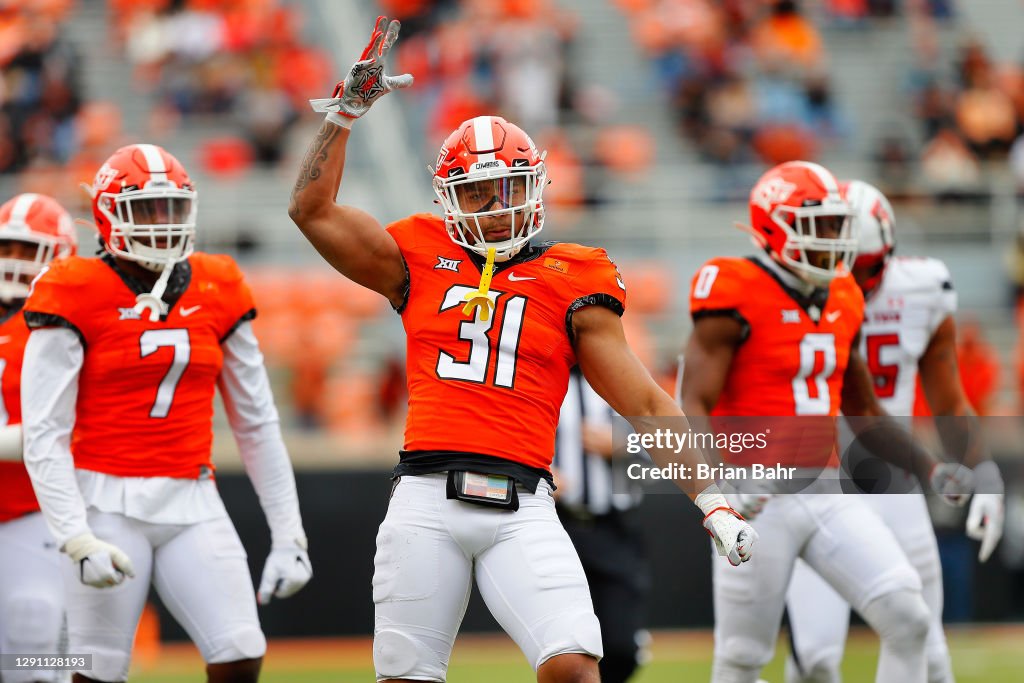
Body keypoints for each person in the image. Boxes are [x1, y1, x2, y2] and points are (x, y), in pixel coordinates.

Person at [289, 15, 755, 683]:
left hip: (525, 500)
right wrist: (344, 113)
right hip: (424, 497)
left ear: (534, 189)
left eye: (505, 189)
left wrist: (713, 499)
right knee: (406, 676)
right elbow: (311, 211)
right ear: (448, 197)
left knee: (573, 665)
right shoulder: (418, 254)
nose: (492, 206)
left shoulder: (574, 276)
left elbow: (646, 399)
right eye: (475, 191)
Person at [22, 143, 312, 683]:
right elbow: (45, 433)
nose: (163, 224)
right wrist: (75, 535)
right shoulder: (74, 287)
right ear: (108, 214)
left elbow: (257, 422)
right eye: (147, 210)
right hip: (103, 498)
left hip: (193, 497)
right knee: (95, 667)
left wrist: (289, 534)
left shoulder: (218, 281)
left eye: (172, 209)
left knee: (240, 650)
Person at [679, 160, 967, 683]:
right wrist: (717, 491)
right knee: (742, 657)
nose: (834, 239)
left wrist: (930, 469)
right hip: (755, 496)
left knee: (909, 615)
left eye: (838, 225)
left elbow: (864, 409)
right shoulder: (733, 286)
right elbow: (691, 401)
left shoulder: (844, 295)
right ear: (774, 226)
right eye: (820, 226)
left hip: (827, 488)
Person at [783, 180, 1005, 683]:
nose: (856, 282)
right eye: (845, 266)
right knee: (814, 658)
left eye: (867, 267)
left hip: (892, 482)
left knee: (928, 647)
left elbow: (948, 396)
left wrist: (983, 470)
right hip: (813, 482)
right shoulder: (786, 291)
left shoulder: (923, 288)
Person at [0, 193, 77, 683]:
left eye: (30, 251)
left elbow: (70, 429)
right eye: (8, 247)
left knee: (36, 658)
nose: (14, 262)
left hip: (35, 517)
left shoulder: (68, 327)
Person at [553, 366, 649, 683]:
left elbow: (667, 441)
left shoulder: (623, 379)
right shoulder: (544, 379)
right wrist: (537, 472)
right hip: (559, 526)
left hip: (614, 528)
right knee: (564, 647)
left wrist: (624, 445)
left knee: (620, 646)